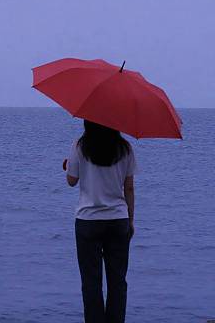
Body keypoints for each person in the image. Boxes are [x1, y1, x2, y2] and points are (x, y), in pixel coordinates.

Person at [63, 119, 136, 323]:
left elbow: (71, 181)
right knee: (118, 281)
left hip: (88, 220)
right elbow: (129, 188)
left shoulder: (80, 146)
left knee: (91, 283)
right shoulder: (125, 148)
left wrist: (68, 165)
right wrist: (130, 220)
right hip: (118, 220)